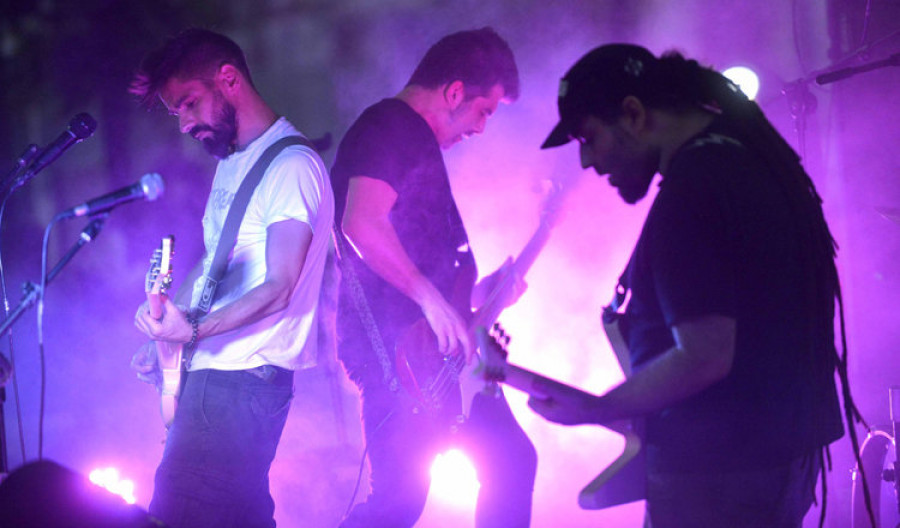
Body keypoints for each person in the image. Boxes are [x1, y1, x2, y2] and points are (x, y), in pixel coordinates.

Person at [531, 43, 861, 527]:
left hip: (719, 473)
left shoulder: (695, 189)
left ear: (633, 113)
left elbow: (704, 356)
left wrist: (599, 407)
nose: (586, 161)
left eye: (588, 137)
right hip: (774, 458)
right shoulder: (749, 161)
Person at [331, 27, 536, 527]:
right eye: (483, 111)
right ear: (453, 92)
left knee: (509, 461)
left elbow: (427, 268)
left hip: (432, 354)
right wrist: (429, 299)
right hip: (397, 353)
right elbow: (361, 221)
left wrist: (476, 298)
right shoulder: (390, 127)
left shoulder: (411, 139)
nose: (482, 128)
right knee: (398, 503)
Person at [129, 28, 334, 528]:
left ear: (229, 79)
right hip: (218, 379)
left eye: (189, 104)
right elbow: (222, 264)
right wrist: (170, 326)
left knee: (180, 514)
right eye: (176, 112)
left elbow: (280, 286)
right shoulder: (232, 161)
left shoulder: (291, 166)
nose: (184, 124)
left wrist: (192, 331)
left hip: (242, 384)